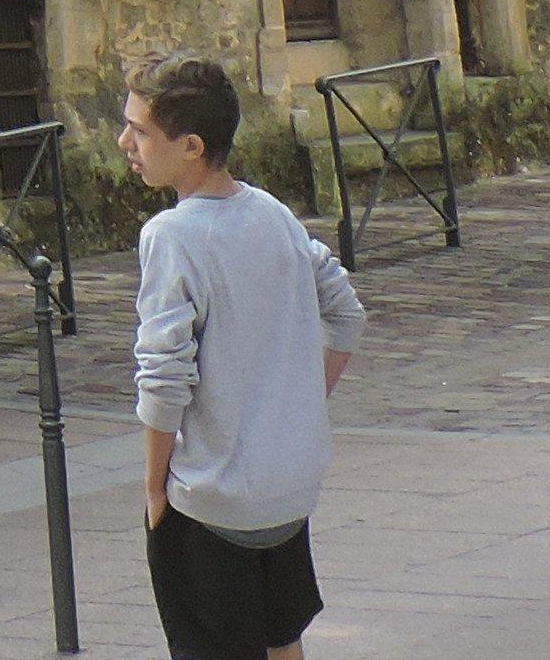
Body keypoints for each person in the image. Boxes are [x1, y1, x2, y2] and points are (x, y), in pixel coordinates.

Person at [122, 53, 365, 660]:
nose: (124, 140)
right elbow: (347, 314)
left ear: (192, 147)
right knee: (283, 640)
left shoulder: (171, 236)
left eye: (141, 131)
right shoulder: (273, 214)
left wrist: (155, 486)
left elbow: (164, 377)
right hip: (289, 490)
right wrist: (300, 406)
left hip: (214, 500)